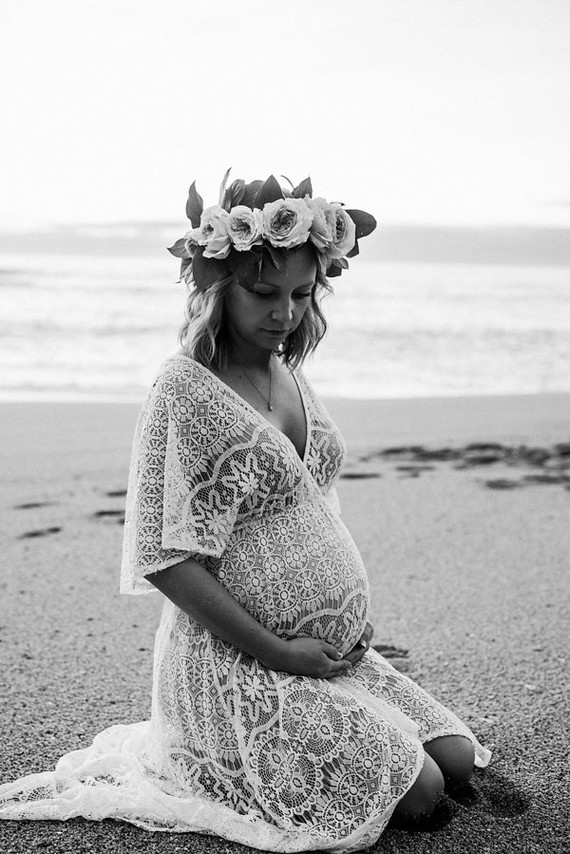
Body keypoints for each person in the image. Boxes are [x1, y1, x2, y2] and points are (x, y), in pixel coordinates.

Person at [0, 173, 491, 851]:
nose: (285, 313)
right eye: (264, 293)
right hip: (231, 664)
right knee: (422, 791)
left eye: (301, 293)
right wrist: (280, 650)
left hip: (325, 655)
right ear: (217, 286)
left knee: (457, 759)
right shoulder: (184, 389)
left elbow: (310, 504)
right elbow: (164, 560)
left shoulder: (287, 368)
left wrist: (341, 613)